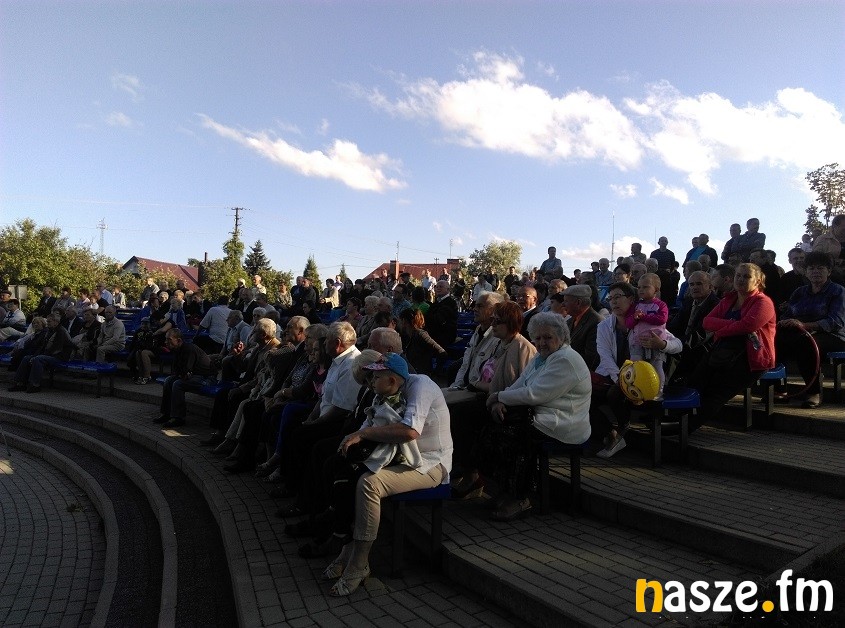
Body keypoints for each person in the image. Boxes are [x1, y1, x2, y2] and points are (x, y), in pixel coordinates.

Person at [328, 352, 452, 596]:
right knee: (346, 472)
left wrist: (362, 434)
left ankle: (359, 562)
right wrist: (352, 437)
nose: (371, 382)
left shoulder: (421, 385)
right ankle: (347, 549)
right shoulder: (386, 392)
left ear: (392, 379)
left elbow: (409, 432)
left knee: (369, 483)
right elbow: (370, 423)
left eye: (376, 377)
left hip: (429, 464)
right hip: (401, 458)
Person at [482, 312, 591, 521]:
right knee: (491, 426)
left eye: (548, 337)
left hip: (565, 423)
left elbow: (535, 394)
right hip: (539, 415)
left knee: (515, 435)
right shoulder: (541, 358)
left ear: (561, 337)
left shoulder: (566, 359)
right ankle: (505, 490)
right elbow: (520, 384)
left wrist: (498, 396)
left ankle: (521, 498)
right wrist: (500, 401)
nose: (541, 343)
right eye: (538, 338)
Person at [451, 300, 536, 499]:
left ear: (511, 323)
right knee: (450, 408)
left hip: (508, 405)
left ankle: (472, 474)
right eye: (493, 320)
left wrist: (484, 389)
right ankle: (464, 468)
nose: (493, 324)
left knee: (461, 415)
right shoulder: (499, 343)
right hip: (488, 396)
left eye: (498, 321)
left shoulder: (522, 347)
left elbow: (520, 385)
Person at [593, 283, 684, 457]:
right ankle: (610, 434)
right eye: (610, 298)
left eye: (618, 297)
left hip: (641, 380)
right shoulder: (604, 326)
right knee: (584, 394)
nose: (614, 302)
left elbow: (678, 344)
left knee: (614, 394)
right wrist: (620, 378)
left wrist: (662, 344)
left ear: (631, 300)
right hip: (614, 375)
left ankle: (622, 429)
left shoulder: (645, 323)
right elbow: (604, 355)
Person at [687, 263, 776, 432]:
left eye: (747, 276)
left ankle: (686, 427)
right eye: (738, 275)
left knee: (716, 392)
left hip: (751, 358)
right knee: (695, 381)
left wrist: (721, 331)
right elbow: (707, 322)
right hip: (723, 351)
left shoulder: (763, 302)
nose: (741, 279)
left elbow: (748, 326)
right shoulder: (729, 300)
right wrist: (734, 324)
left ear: (757, 281)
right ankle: (675, 418)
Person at [776, 252, 845, 408]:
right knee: (775, 340)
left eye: (820, 268)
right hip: (801, 333)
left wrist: (805, 325)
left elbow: (836, 322)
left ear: (829, 271)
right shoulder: (799, 292)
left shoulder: (838, 291)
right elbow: (787, 315)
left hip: (834, 336)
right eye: (811, 268)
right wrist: (784, 322)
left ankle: (814, 393)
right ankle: (779, 389)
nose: (815, 272)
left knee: (806, 344)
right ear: (806, 272)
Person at [154, 328, 216, 428]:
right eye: (166, 339)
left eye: (169, 340)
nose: (166, 342)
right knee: (168, 380)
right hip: (195, 375)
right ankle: (167, 414)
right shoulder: (177, 349)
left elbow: (185, 372)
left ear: (178, 340)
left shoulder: (189, 349)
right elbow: (177, 371)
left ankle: (178, 418)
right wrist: (180, 374)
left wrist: (181, 374)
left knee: (177, 384)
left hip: (206, 378)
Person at [625, 273, 669, 398]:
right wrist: (635, 318)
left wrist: (644, 317)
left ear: (656, 289)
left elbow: (662, 319)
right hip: (638, 341)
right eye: (639, 287)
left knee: (657, 366)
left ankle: (658, 392)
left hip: (656, 341)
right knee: (635, 365)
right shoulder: (636, 306)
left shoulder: (661, 305)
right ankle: (636, 390)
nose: (641, 290)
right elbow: (628, 323)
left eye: (645, 287)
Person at [8, 313, 75, 393]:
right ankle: (20, 383)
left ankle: (35, 385)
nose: (47, 323)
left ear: (56, 322)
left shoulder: (61, 331)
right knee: (27, 358)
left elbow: (56, 349)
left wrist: (38, 356)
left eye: (49, 321)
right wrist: (35, 355)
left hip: (60, 357)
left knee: (38, 359)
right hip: (50, 355)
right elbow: (43, 347)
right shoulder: (50, 331)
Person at [398, 308, 447, 375]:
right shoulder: (407, 336)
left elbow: (442, 353)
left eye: (399, 321)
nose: (398, 324)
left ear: (404, 321)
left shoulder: (421, 335)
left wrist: (436, 371)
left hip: (421, 374)